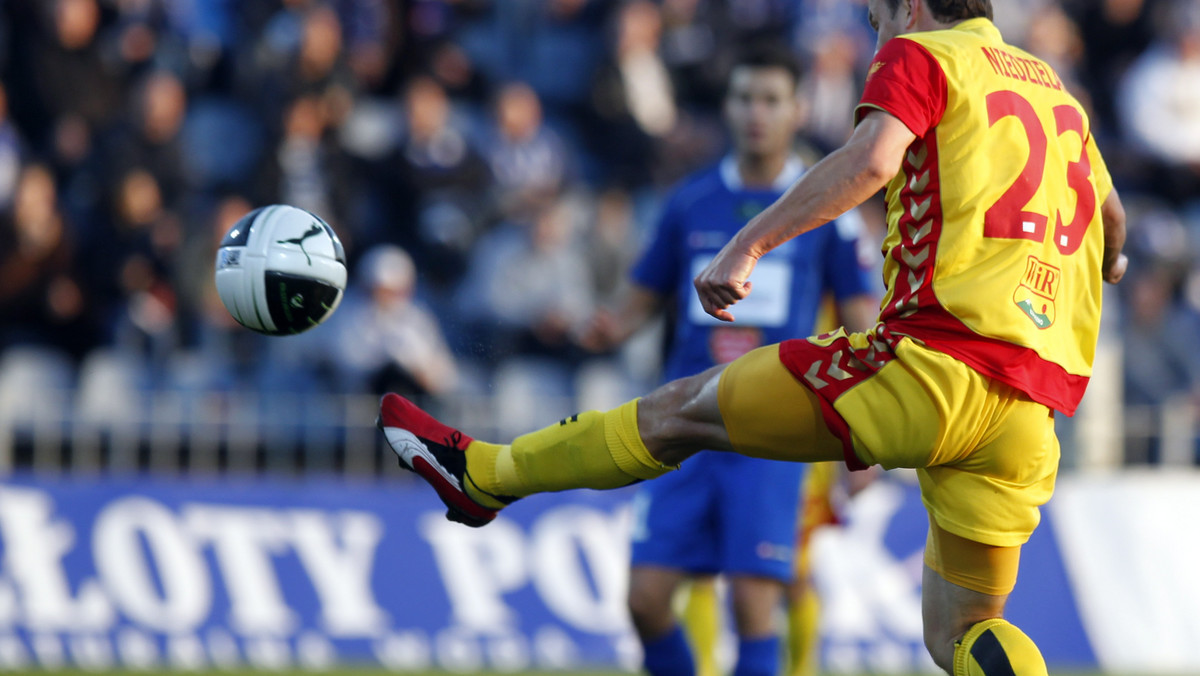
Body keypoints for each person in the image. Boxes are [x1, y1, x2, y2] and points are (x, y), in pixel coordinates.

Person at [378, 1, 1128, 674]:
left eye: (878, 21)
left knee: (676, 414)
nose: (879, 40)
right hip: (1029, 410)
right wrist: (1110, 260)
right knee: (965, 631)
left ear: (912, 6)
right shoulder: (1054, 90)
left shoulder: (926, 53)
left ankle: (484, 476)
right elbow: (1112, 218)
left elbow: (872, 158)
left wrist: (748, 244)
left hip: (933, 368)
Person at [578, 44, 877, 676]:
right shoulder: (690, 202)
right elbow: (641, 297)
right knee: (645, 600)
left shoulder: (826, 209)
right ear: (727, 106)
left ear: (797, 109)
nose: (756, 114)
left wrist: (867, 429)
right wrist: (603, 324)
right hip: (683, 422)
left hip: (769, 430)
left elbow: (860, 320)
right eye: (744, 98)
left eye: (771, 100)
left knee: (753, 605)